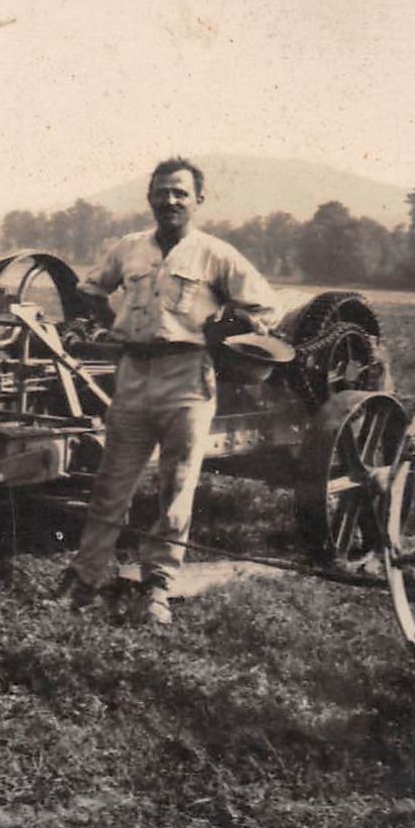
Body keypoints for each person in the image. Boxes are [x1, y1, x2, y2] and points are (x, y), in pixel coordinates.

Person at [55, 157, 280, 625]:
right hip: (134, 373)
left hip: (188, 377)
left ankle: (158, 585)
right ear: (150, 198)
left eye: (180, 193)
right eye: (162, 192)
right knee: (111, 483)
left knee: (176, 485)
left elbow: (264, 308)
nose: (170, 201)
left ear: (198, 200)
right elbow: (91, 290)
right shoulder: (129, 249)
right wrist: (108, 328)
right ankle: (88, 577)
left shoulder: (216, 254)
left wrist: (230, 329)